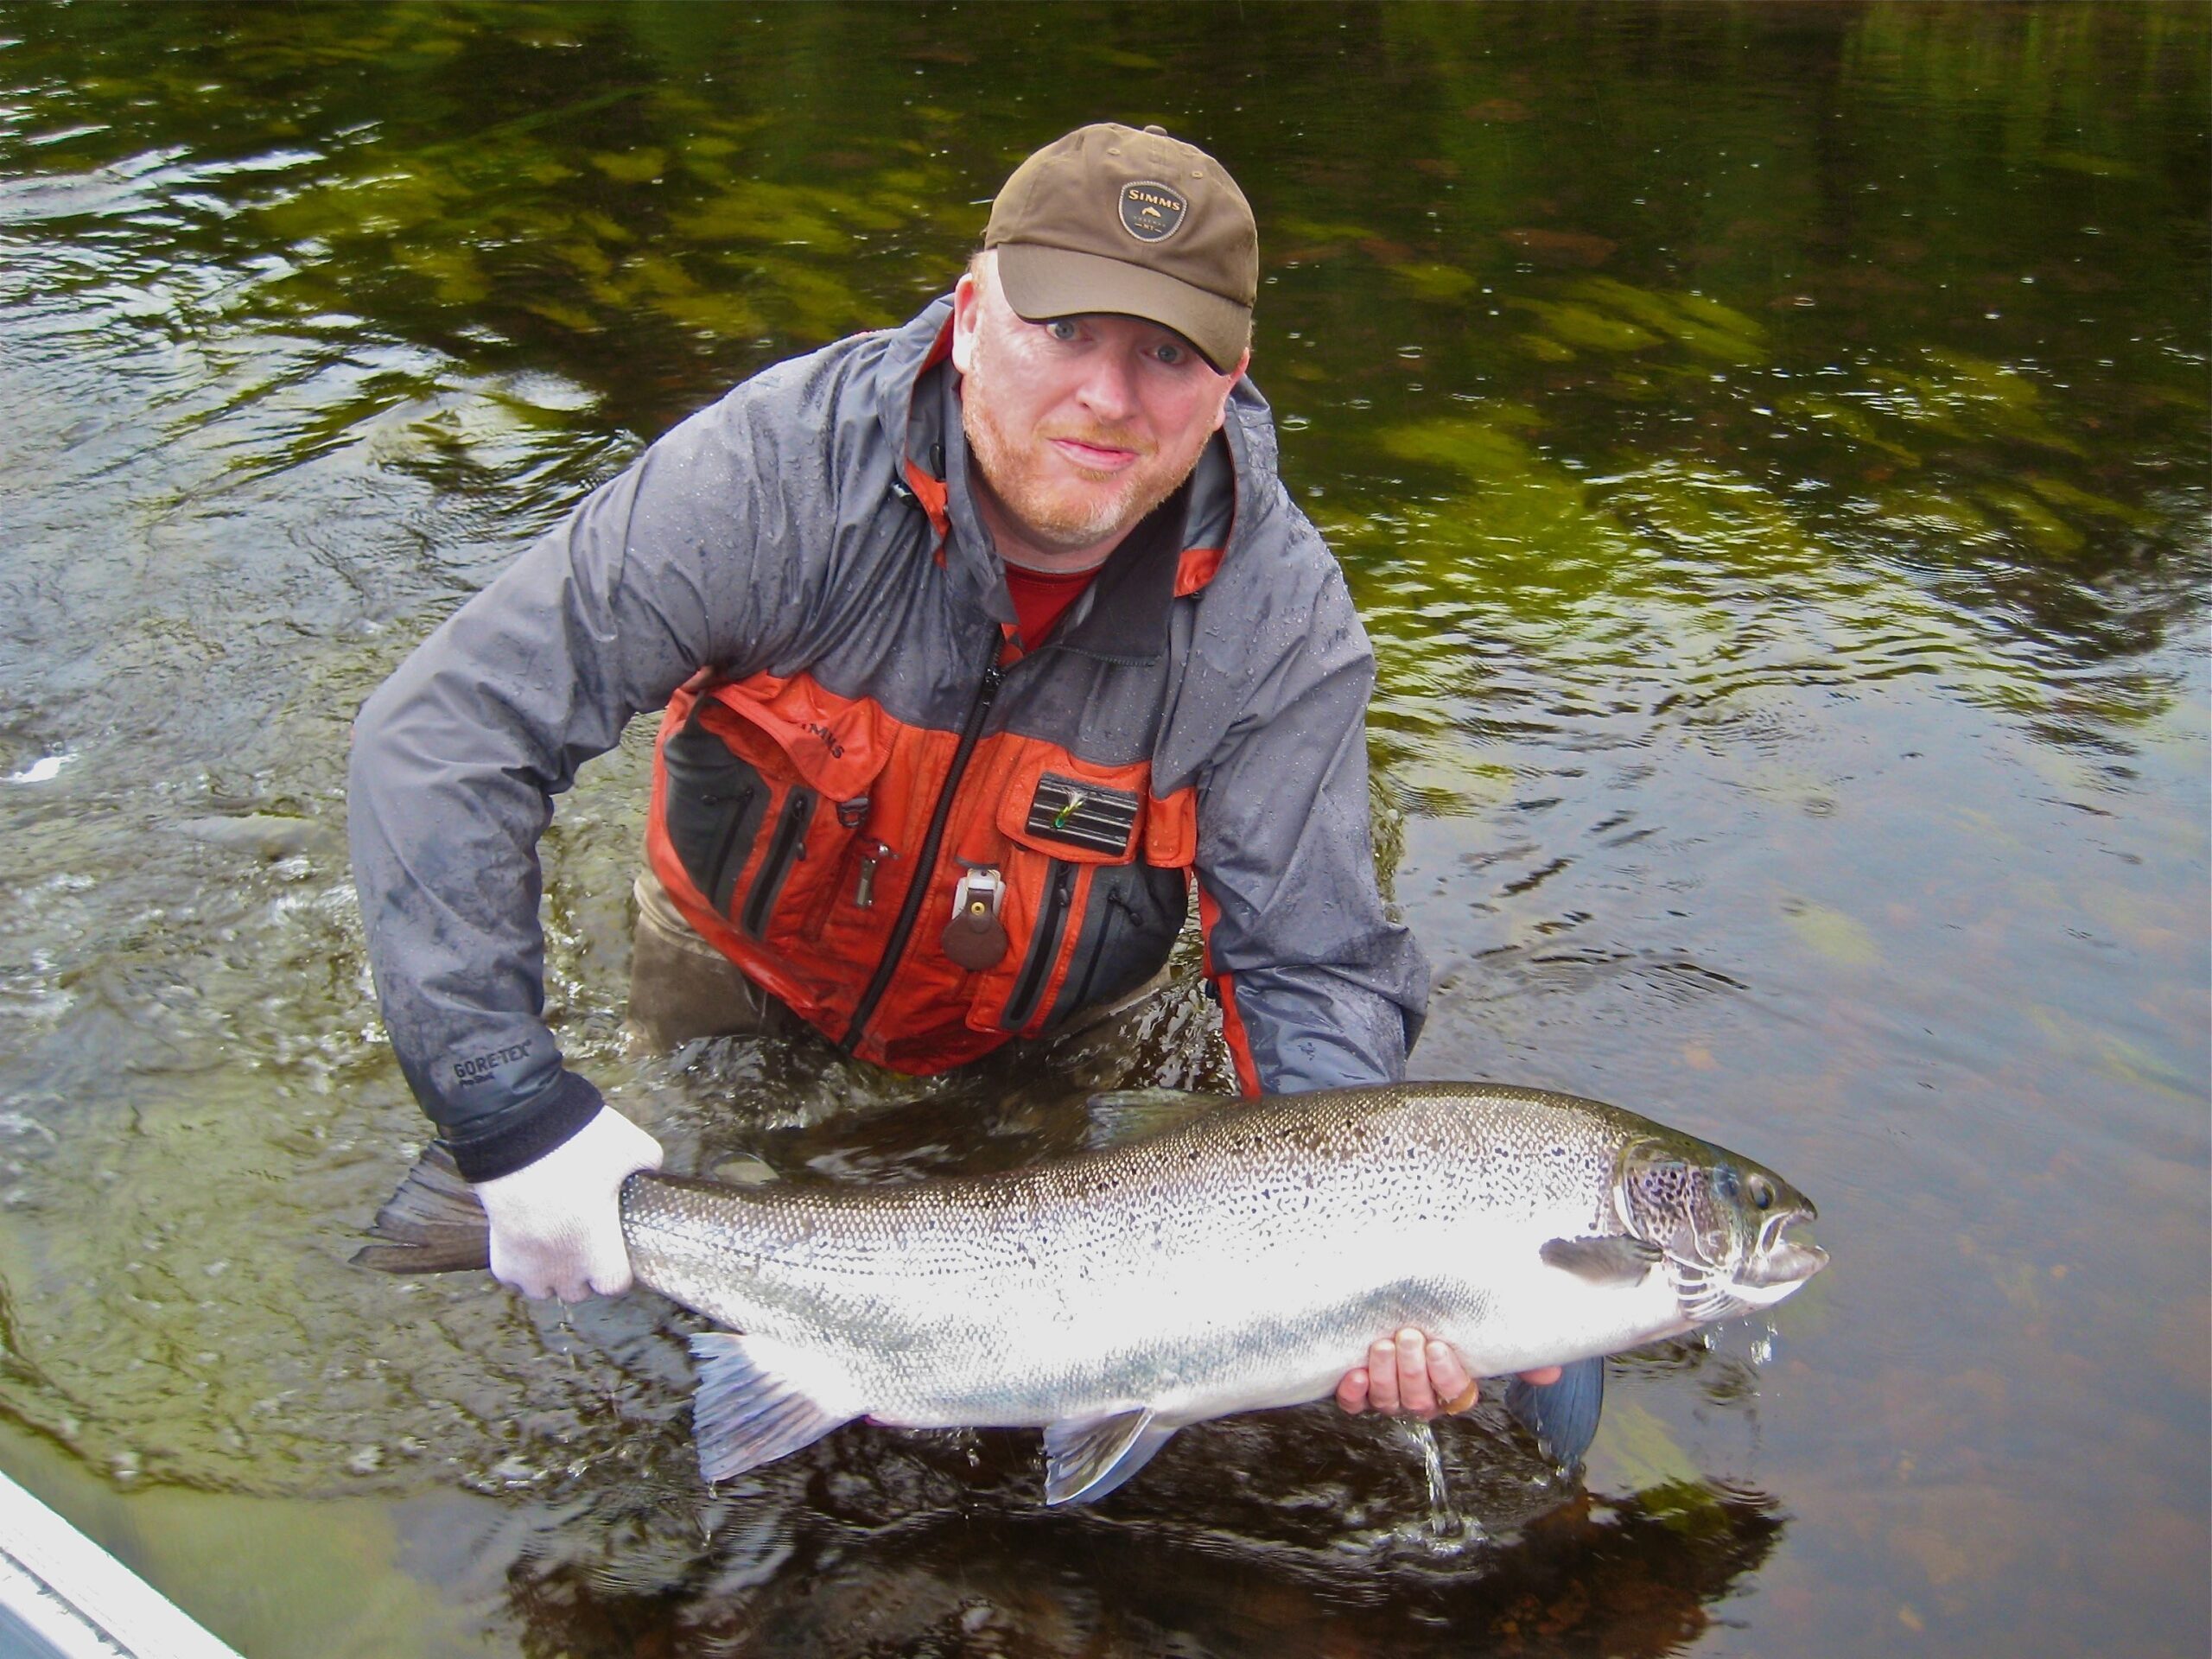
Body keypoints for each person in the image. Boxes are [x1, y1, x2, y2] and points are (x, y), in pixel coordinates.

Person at [348, 122, 1552, 1424]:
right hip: (737, 970)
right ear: (972, 316)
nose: (1108, 395)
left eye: (1166, 353)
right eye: (1065, 330)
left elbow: (1312, 969)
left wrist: (1368, 1275)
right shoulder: (774, 478)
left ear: (1232, 379)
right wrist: (512, 1114)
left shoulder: (1279, 628)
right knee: (644, 1282)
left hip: (1041, 1036)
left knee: (1046, 1351)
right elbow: (449, 737)